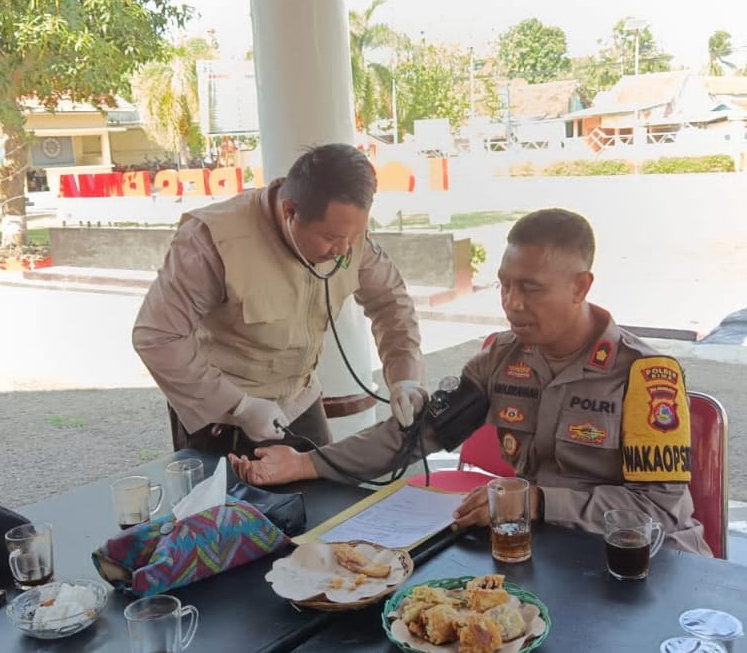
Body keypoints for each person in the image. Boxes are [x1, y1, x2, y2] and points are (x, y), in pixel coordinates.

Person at [231, 209, 710, 554]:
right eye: (505, 284)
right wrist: (306, 463)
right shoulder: (501, 359)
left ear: (580, 286)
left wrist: (541, 501)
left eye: (530, 288)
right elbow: (414, 435)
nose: (512, 303)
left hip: (647, 563)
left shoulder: (646, 377)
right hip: (544, 551)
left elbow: (660, 512)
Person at [132, 143, 425, 458]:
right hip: (224, 416)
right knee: (229, 492)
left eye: (352, 237)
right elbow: (158, 336)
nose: (342, 251)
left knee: (324, 487)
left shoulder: (346, 236)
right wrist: (238, 406)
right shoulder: (211, 241)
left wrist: (405, 377)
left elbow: (391, 303)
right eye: (330, 238)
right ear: (289, 212)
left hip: (300, 402)